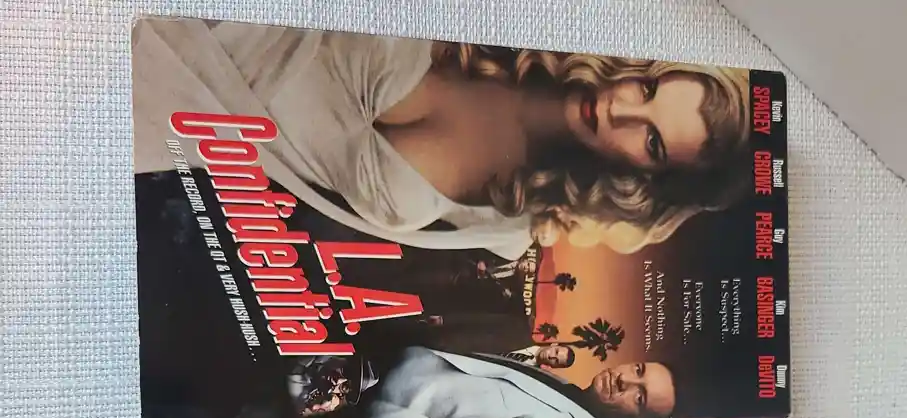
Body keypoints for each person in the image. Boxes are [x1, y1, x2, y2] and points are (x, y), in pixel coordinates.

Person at [133, 19, 750, 258]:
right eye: (648, 89)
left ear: (645, 181)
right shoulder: (515, 26)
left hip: (172, 146)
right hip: (176, 33)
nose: (621, 108)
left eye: (652, 142)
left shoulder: (507, 224)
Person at [363, 348, 676, 418]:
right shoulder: (564, 387)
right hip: (380, 363)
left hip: (366, 402)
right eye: (638, 370)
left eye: (639, 397)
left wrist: (365, 413)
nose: (624, 380)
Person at [503, 343, 576, 368]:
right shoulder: (521, 333)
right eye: (556, 351)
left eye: (556, 361)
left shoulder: (529, 375)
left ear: (554, 367)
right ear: (554, 344)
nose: (551, 356)